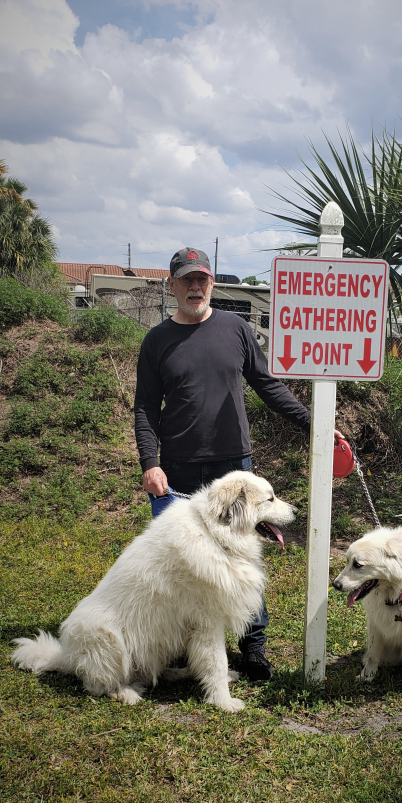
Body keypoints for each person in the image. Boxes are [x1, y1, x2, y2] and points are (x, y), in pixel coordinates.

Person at [134, 247, 342, 682]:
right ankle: (179, 646)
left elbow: (266, 384)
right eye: (187, 279)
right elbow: (146, 409)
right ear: (172, 285)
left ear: (212, 284)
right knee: (181, 564)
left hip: (235, 467)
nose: (196, 287)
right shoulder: (156, 341)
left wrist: (316, 425)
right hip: (180, 469)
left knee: (242, 558)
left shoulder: (235, 328)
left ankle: (254, 648)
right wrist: (151, 464)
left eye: (203, 279)